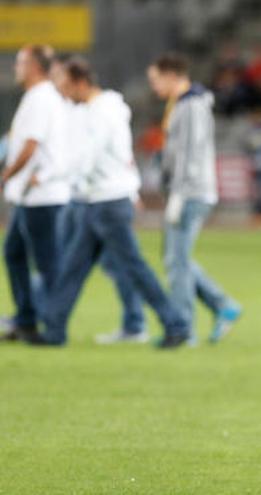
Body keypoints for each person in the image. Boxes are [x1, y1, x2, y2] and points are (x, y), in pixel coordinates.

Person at [26, 58, 189, 348]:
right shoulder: (98, 109)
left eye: (64, 85)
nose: (62, 92)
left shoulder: (102, 113)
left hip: (109, 203)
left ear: (80, 82)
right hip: (96, 201)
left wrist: (49, 176)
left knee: (133, 268)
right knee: (72, 269)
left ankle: (175, 325)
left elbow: (88, 156)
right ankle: (53, 330)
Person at [49, 55, 150, 344]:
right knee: (77, 263)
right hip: (80, 195)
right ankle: (50, 323)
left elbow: (115, 154)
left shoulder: (100, 109)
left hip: (95, 197)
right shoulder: (74, 108)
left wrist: (131, 190)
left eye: (62, 80)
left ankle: (144, 322)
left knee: (115, 264)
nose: (59, 87)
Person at [147, 53, 241, 344]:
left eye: (155, 79)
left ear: (171, 75)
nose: (153, 86)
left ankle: (184, 329)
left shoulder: (190, 105)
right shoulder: (185, 103)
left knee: (176, 262)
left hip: (190, 191)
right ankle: (222, 305)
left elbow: (189, 152)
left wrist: (178, 192)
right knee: (177, 259)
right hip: (188, 190)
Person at [0, 45, 69, 342]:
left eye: (21, 63)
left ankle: (54, 327)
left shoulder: (41, 99)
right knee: (14, 252)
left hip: (42, 195)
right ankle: (26, 318)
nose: (17, 68)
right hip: (28, 194)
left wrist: (5, 175)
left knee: (48, 263)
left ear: (35, 67)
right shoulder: (37, 97)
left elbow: (31, 145)